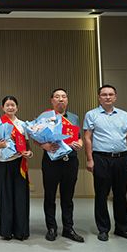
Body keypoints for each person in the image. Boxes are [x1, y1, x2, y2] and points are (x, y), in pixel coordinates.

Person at [84, 85, 127, 242]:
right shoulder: (91, 115)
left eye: (110, 94)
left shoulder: (124, 115)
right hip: (101, 158)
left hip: (122, 159)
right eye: (104, 94)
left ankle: (122, 228)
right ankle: (103, 229)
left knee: (121, 194)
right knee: (101, 195)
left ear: (115, 97)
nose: (107, 97)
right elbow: (87, 138)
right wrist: (90, 159)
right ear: (99, 97)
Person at [38, 88, 85, 243]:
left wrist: (80, 143)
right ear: (52, 100)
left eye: (64, 96)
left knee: (68, 197)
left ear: (67, 100)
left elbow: (78, 137)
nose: (61, 99)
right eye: (57, 97)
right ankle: (51, 228)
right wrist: (43, 145)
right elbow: (35, 136)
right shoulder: (45, 117)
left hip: (70, 161)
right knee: (50, 196)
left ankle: (68, 228)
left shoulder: (74, 117)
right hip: (51, 161)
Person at [0, 96, 32, 241]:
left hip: (19, 163)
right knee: (5, 197)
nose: (10, 107)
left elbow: (27, 146)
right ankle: (6, 231)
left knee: (21, 197)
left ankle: (21, 231)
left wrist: (29, 153)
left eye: (13, 105)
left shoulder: (22, 125)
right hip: (3, 163)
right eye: (7, 105)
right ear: (2, 107)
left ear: (17, 107)